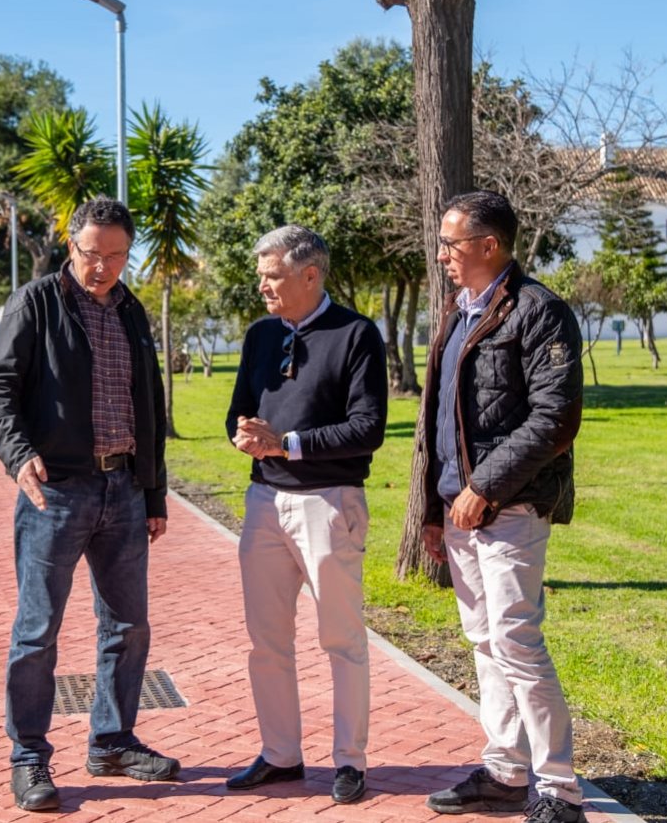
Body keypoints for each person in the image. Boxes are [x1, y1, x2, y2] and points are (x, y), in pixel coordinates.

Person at [0, 196, 179, 813]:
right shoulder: (36, 302)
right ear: (72, 246)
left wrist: (153, 491)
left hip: (122, 490)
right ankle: (29, 757)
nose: (103, 268)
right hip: (56, 493)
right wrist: (18, 456)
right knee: (37, 631)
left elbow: (149, 405)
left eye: (117, 256)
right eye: (93, 255)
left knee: (128, 626)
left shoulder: (131, 311)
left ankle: (113, 741)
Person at [419, 191, 586, 823]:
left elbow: (555, 418)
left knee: (517, 642)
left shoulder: (538, 311)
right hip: (459, 511)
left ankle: (560, 790)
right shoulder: (459, 312)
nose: (442, 255)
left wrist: (484, 486)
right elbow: (438, 419)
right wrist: (433, 512)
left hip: (508, 507)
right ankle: (505, 771)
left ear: (489, 246)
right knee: (486, 643)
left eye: (451, 244)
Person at [222, 225, 387, 805]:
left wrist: (285, 444)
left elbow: (368, 428)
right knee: (265, 641)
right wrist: (244, 436)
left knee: (341, 638)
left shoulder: (357, 334)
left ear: (310, 275)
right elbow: (239, 411)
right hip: (263, 501)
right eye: (261, 275)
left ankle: (350, 761)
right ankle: (280, 755)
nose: (263, 285)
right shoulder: (259, 334)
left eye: (273, 275)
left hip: (328, 502)